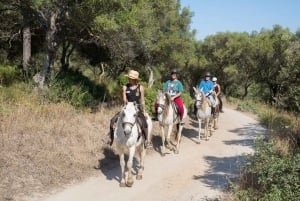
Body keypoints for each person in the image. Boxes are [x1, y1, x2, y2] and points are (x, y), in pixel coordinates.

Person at [108, 70, 152, 148]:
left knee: (144, 122)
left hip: (136, 107)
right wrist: (125, 101)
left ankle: (146, 141)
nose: (129, 79)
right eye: (129, 78)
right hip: (127, 107)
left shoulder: (140, 88)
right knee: (113, 119)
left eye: (131, 78)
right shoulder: (125, 87)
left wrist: (144, 111)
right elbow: (124, 99)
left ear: (135, 79)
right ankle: (110, 138)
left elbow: (142, 100)